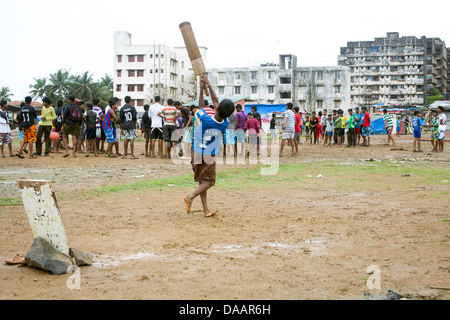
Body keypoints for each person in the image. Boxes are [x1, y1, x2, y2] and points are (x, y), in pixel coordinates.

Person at [184, 75, 234, 218]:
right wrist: (208, 85)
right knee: (209, 181)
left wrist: (202, 88)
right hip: (209, 155)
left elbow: (202, 106)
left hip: (196, 151)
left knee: (202, 181)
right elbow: (216, 102)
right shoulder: (224, 124)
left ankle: (206, 209)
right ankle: (191, 196)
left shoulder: (204, 119)